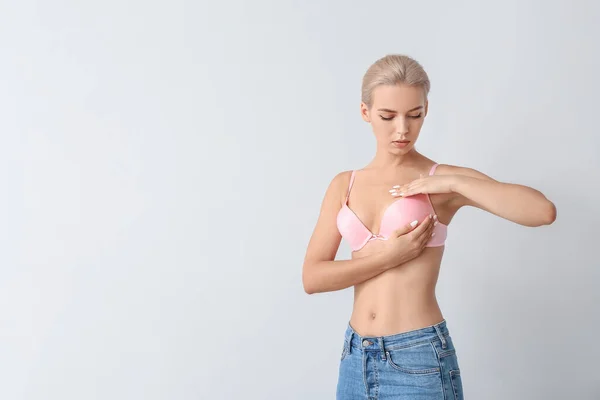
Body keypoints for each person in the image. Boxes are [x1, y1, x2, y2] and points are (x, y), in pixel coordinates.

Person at [301, 54, 557, 400]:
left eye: (415, 115)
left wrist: (456, 182)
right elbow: (312, 278)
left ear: (426, 110)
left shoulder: (440, 180)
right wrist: (391, 256)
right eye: (388, 116)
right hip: (355, 357)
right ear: (365, 113)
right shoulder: (344, 184)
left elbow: (542, 211)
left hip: (417, 357)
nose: (402, 129)